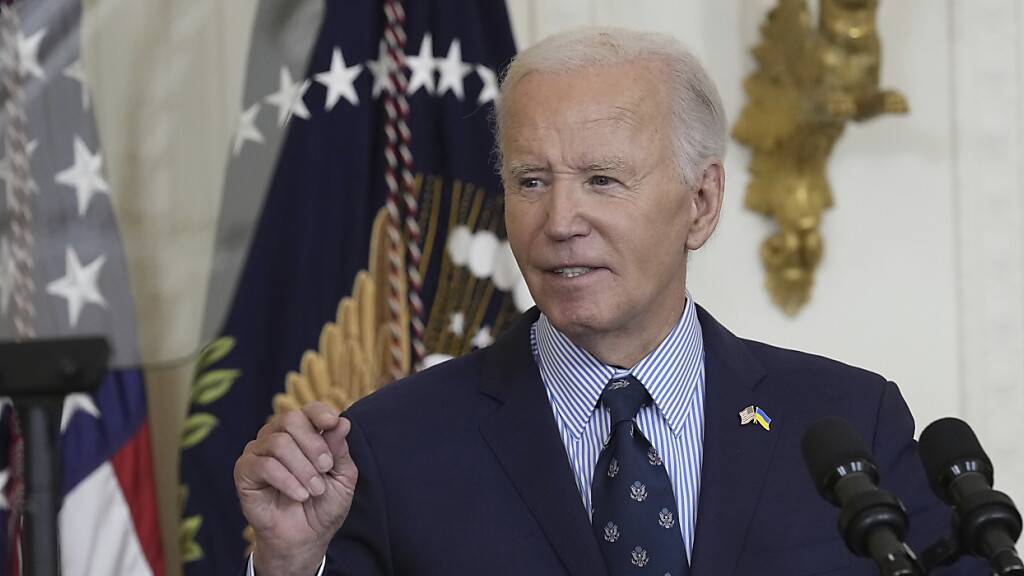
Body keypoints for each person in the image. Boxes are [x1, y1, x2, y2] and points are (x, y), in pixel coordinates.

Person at [234, 27, 986, 575]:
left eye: (602, 180)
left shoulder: (850, 422)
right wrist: (290, 564)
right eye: (531, 181)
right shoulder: (394, 447)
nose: (559, 222)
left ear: (701, 201)